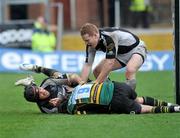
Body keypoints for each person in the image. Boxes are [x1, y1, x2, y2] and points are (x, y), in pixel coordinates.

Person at [15, 64, 180, 114]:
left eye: (38, 89)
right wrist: (61, 101)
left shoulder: (47, 84)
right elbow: (69, 108)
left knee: (59, 75)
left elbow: (71, 77)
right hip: (81, 95)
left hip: (80, 86)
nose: (42, 92)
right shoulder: (47, 107)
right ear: (38, 100)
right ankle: (173, 108)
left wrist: (80, 82)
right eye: (39, 95)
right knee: (136, 101)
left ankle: (34, 70)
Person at [80, 23, 147, 90]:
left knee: (130, 69)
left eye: (87, 40)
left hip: (137, 48)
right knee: (97, 71)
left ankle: (131, 98)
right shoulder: (90, 45)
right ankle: (111, 94)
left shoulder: (110, 37)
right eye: (84, 41)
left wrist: (97, 81)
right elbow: (87, 65)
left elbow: (110, 62)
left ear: (95, 35)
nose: (86, 43)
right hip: (121, 54)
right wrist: (81, 84)